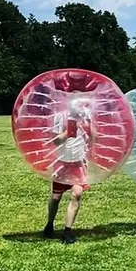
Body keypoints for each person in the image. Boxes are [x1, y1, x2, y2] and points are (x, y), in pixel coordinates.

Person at [44, 99, 93, 244]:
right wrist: (68, 132)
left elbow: (93, 137)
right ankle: (49, 224)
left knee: (77, 194)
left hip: (79, 163)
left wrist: (88, 128)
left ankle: (67, 231)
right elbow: (55, 141)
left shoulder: (86, 115)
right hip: (62, 162)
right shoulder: (61, 116)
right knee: (56, 198)